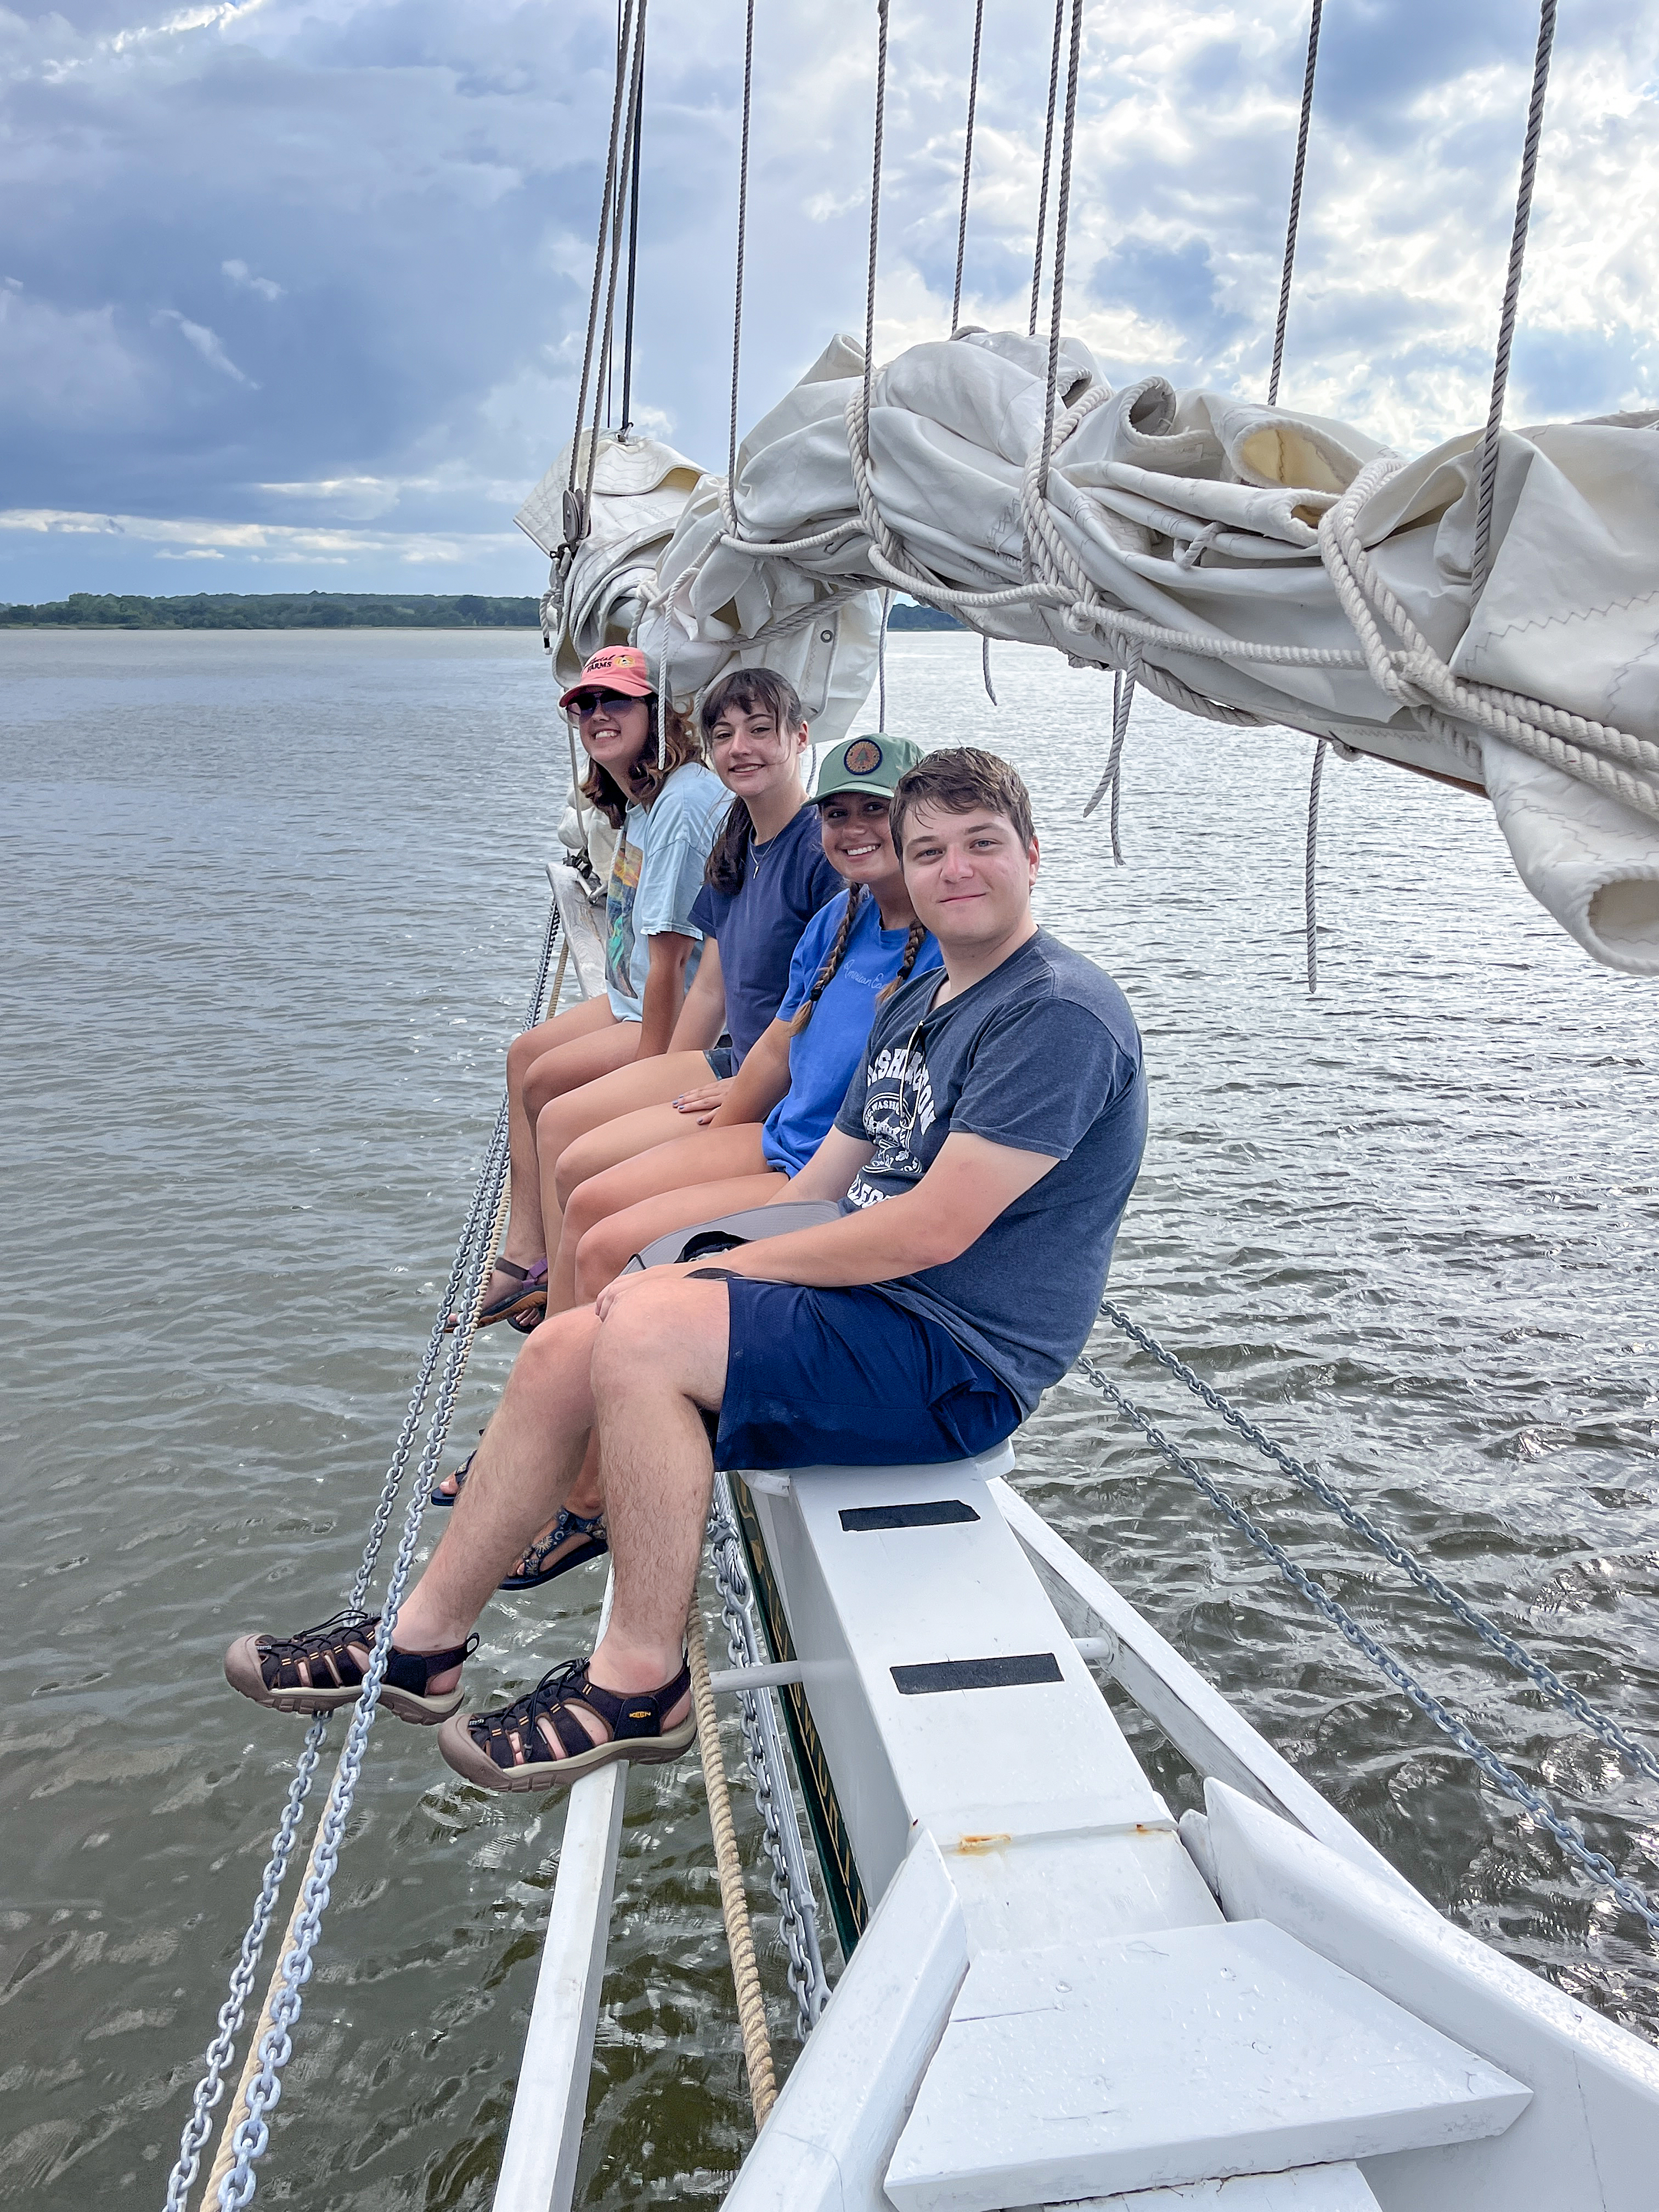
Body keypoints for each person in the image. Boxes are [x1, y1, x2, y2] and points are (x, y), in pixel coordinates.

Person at [224, 749, 1148, 1801]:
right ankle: (419, 1643)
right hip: (867, 1308)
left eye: (981, 844)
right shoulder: (921, 994)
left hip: (953, 1353)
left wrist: (696, 1284)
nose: (952, 870)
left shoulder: (1055, 1015)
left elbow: (924, 1233)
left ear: (1031, 856)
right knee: (580, 1332)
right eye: (927, 849)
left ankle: (639, 1682)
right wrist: (674, 1259)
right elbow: (824, 1188)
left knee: (649, 1329)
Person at [499, 665, 842, 1329]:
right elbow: (711, 984)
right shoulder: (738, 834)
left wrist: (755, 1082)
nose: (739, 746)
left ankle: (566, 1331)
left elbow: (821, 1006)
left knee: (591, 1170)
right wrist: (657, 1082)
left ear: (801, 738)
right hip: (733, 1057)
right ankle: (557, 1302)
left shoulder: (818, 851)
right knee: (569, 1139)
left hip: (766, 1073)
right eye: (725, 734)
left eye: (760, 730)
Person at [548, 732, 938, 1311]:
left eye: (876, 810)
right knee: (588, 1201)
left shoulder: (946, 949)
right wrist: (715, 1137)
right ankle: (559, 1368)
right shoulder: (838, 918)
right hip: (780, 1134)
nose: (854, 828)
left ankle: (571, 1377)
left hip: (826, 1172)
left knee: (608, 1247)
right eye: (837, 813)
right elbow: (779, 1048)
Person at [476, 644, 726, 1329]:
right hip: (630, 993)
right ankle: (530, 1250)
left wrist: (652, 1070)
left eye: (616, 701)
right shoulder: (643, 801)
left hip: (664, 1015)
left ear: (657, 711)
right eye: (585, 704)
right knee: (524, 1055)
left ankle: (559, 1297)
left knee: (550, 1095)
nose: (596, 714)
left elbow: (675, 957)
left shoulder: (681, 806)